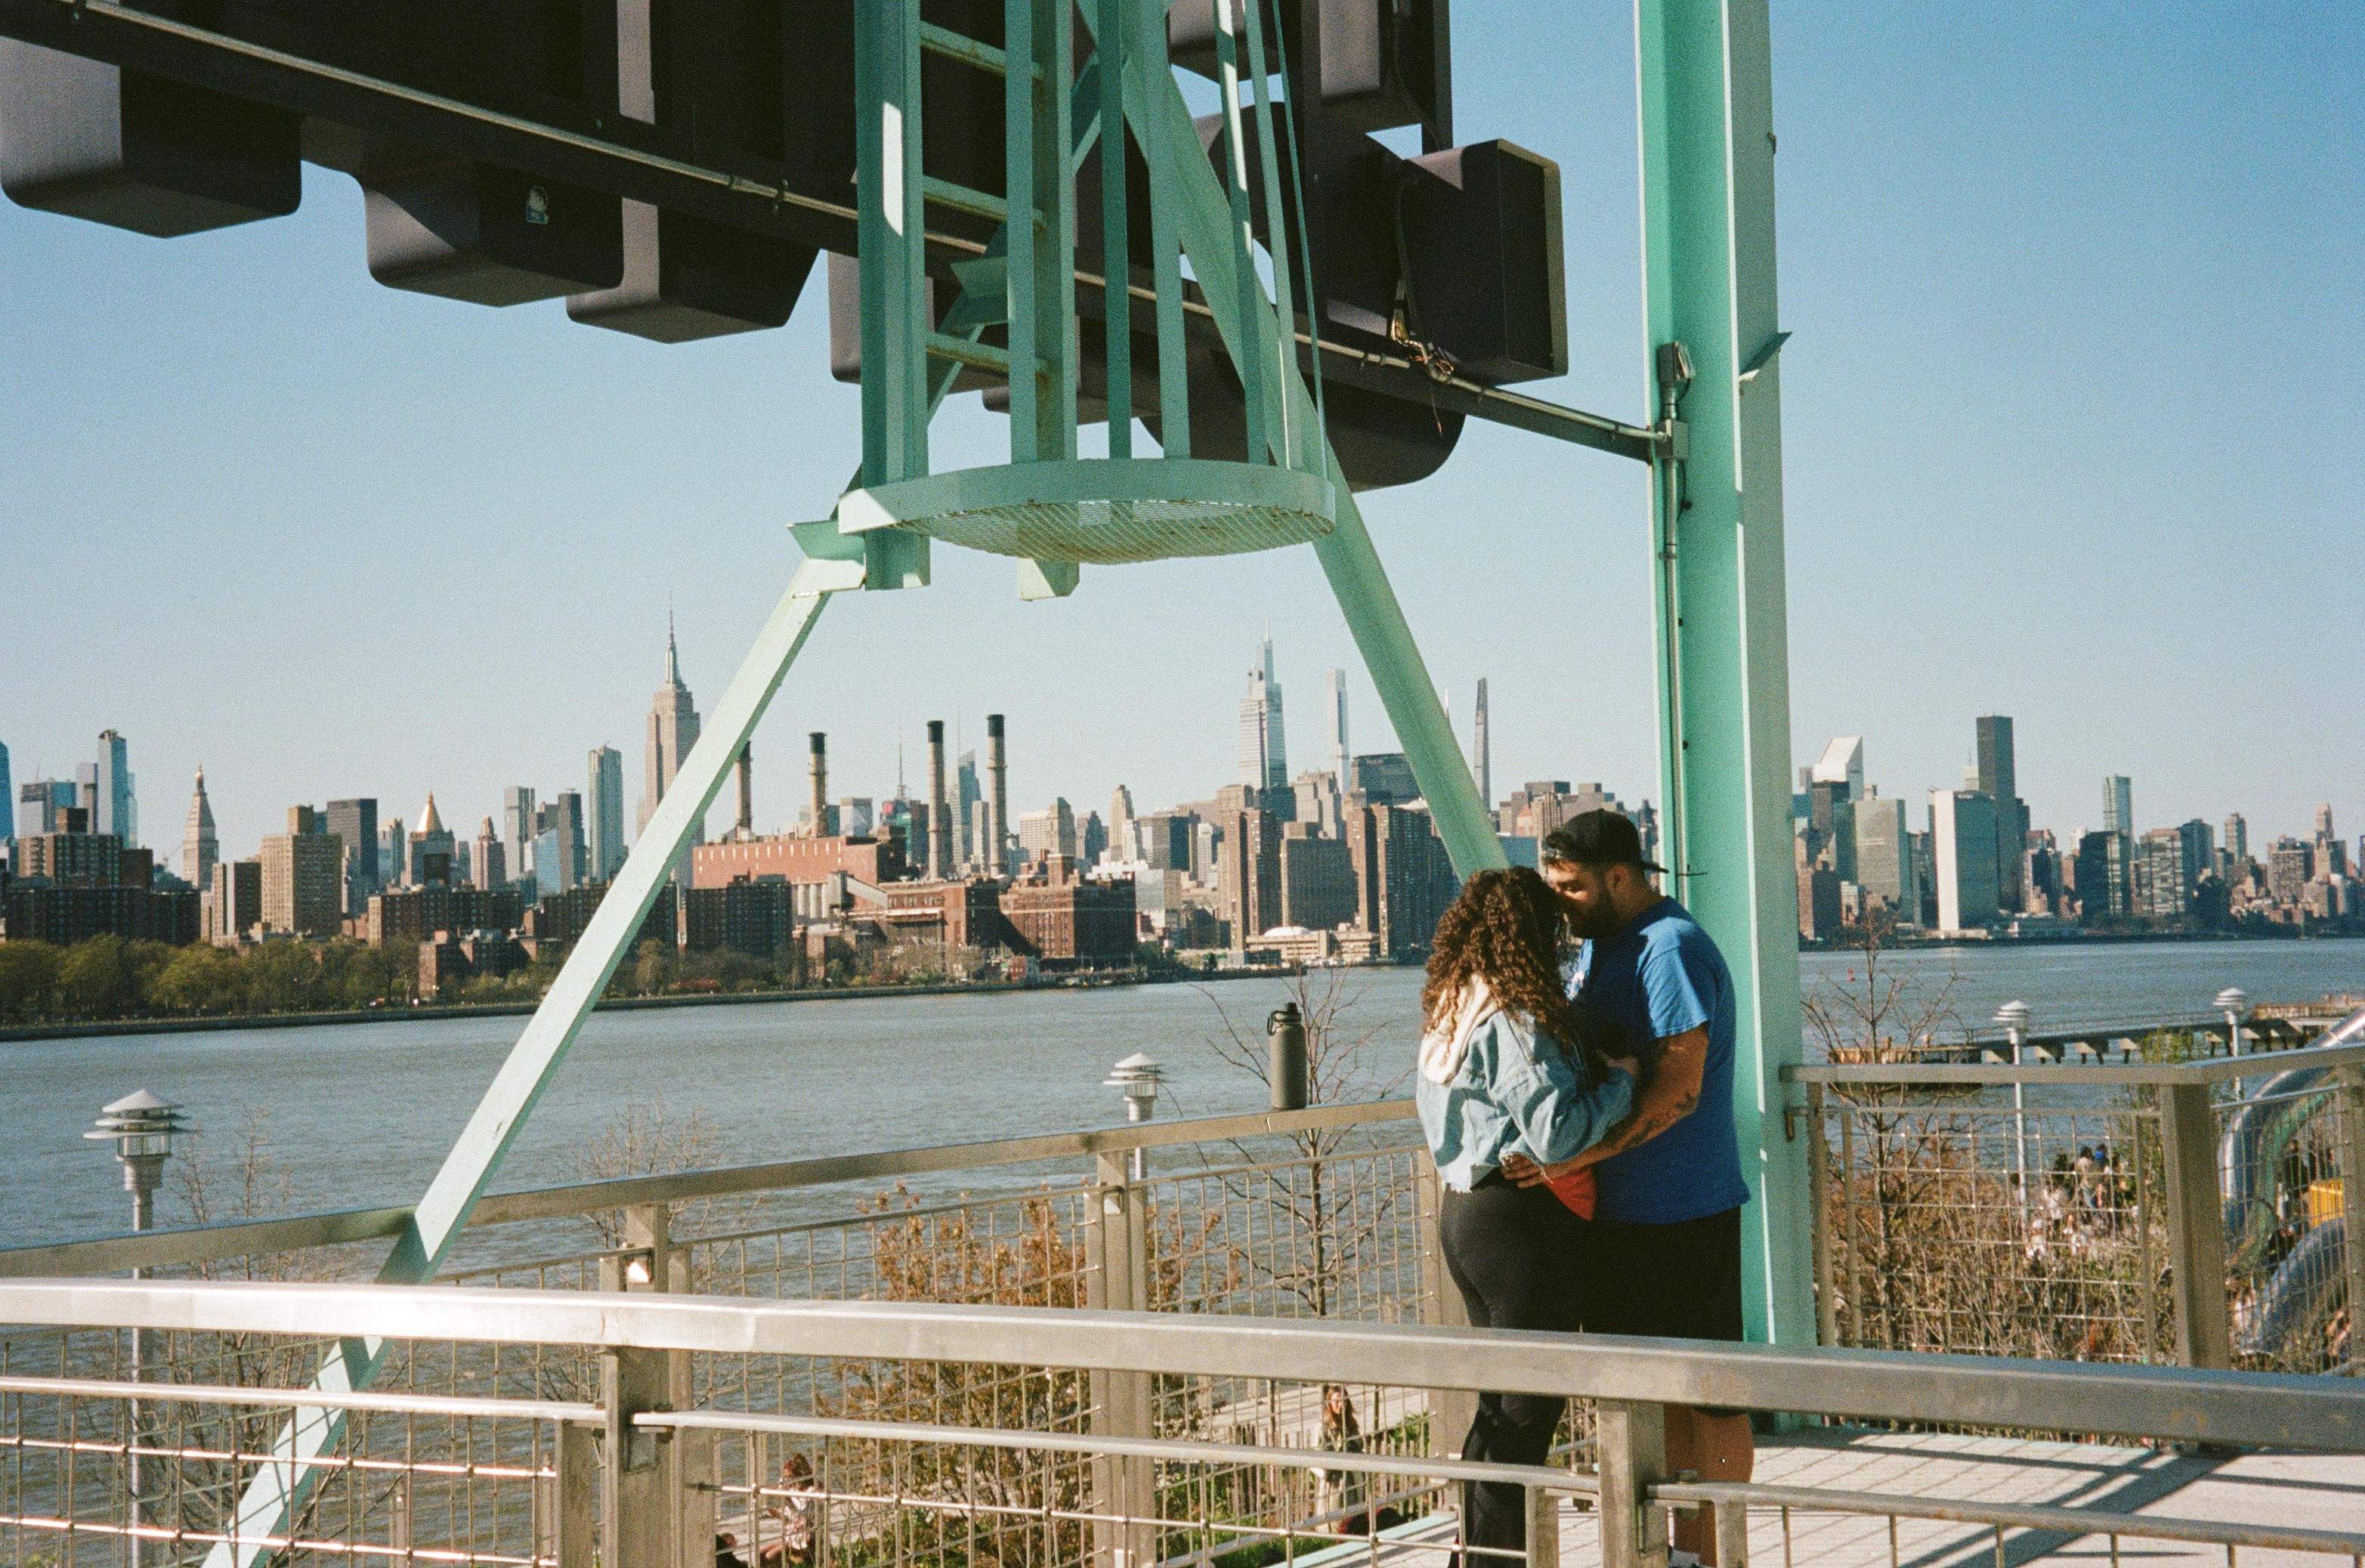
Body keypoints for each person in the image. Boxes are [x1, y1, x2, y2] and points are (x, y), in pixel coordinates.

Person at [1500, 811, 1751, 1568]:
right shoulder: (1605, 949)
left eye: (1571, 887)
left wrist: (1569, 1154)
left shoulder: (1667, 946)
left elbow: (1677, 1090)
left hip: (1684, 1211)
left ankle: (1712, 1555)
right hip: (1622, 1218)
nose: (1561, 903)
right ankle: (1668, 1554)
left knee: (1708, 1398)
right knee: (1647, 1397)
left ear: (1619, 876)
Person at [1414, 867, 1640, 1567]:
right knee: (1526, 1411)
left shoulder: (1454, 1007)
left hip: (1465, 1217)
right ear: (1530, 934)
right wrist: (1625, 1079)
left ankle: (1475, 1558)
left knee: (1498, 1406)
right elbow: (1558, 1134)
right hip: (1521, 1229)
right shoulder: (1512, 1016)